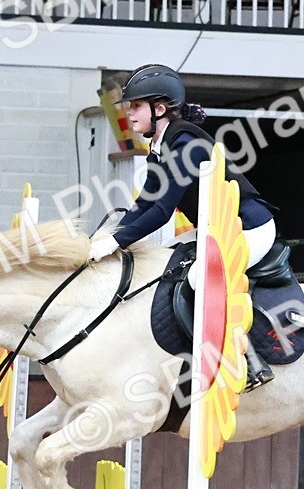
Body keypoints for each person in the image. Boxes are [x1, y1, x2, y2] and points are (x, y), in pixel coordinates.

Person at [89, 64, 279, 390]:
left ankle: (249, 363)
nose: (129, 113)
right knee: (165, 261)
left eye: (135, 106)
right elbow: (144, 205)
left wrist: (115, 243)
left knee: (198, 277)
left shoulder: (186, 145)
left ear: (159, 109)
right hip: (218, 227)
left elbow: (162, 212)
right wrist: (105, 236)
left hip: (249, 227)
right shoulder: (161, 147)